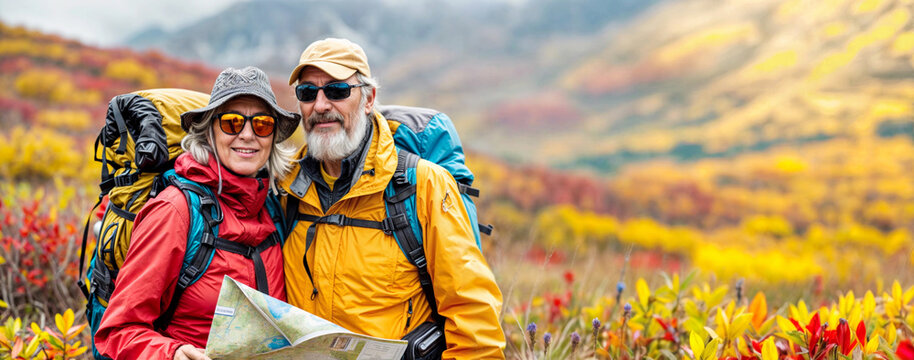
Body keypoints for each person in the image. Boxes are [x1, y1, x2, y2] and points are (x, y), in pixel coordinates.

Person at [280, 38, 506, 358]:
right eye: (307, 93)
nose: (320, 105)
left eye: (337, 91)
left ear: (368, 98)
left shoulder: (422, 185)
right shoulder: (286, 186)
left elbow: (473, 315)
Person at [94, 67, 300, 360]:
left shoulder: (271, 206)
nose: (247, 134)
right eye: (231, 122)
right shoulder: (175, 211)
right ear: (208, 131)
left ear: (273, 137)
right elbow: (118, 331)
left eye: (263, 125)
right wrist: (172, 354)